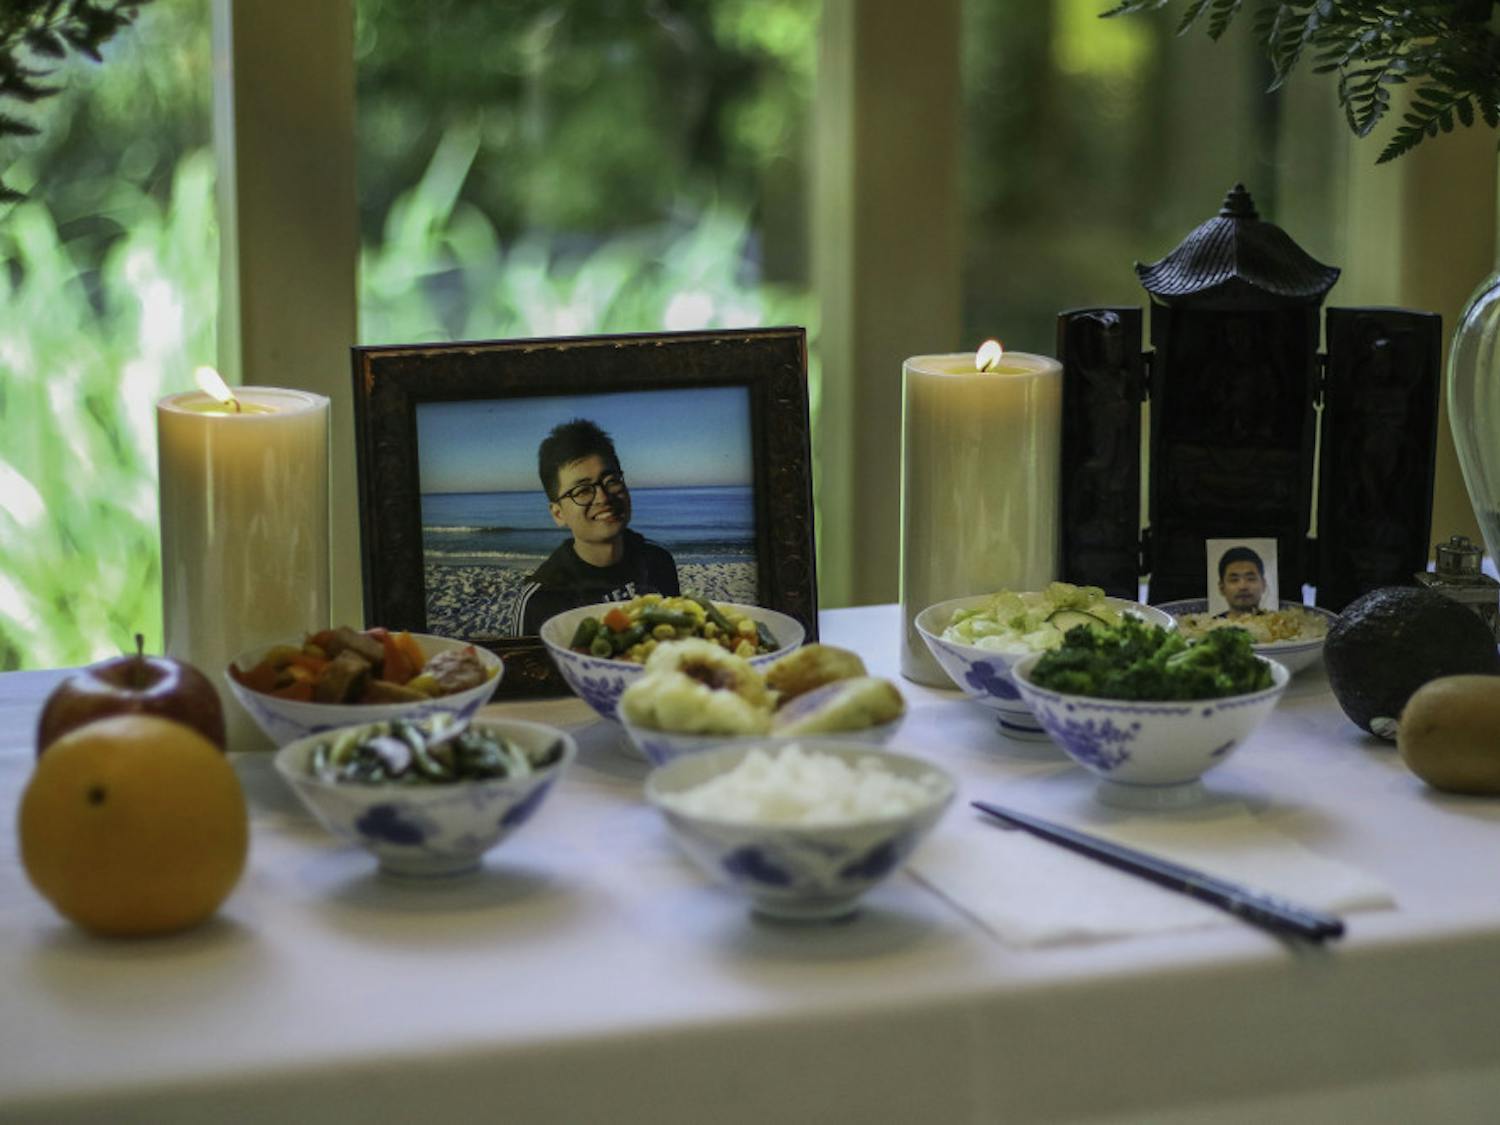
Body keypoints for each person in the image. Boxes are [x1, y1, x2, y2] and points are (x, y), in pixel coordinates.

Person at [511, 418, 679, 635]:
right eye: (582, 491)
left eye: (611, 480)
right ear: (558, 513)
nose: (603, 497)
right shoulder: (542, 598)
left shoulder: (658, 562)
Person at [1215, 545, 1269, 617]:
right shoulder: (1208, 626)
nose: (1243, 586)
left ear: (1263, 584)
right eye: (1234, 580)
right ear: (1222, 588)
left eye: (1251, 578)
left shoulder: (1281, 624)